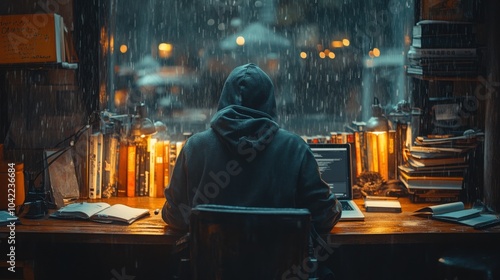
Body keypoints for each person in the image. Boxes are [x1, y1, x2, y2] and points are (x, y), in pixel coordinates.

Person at [162, 63, 342, 277]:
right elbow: (324, 215)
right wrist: (337, 205)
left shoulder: (195, 147)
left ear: (224, 99)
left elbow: (173, 215)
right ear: (269, 102)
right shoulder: (295, 148)